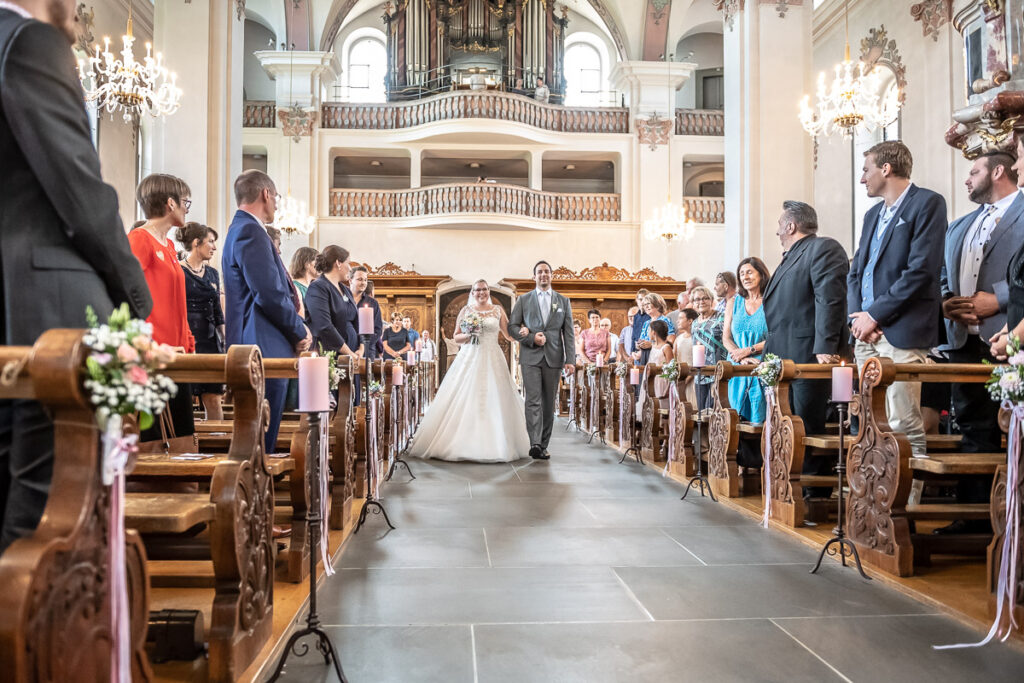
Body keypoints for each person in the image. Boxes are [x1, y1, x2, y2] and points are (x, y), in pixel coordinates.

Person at [0, 0, 151, 551]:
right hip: (48, 313)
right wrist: (136, 300)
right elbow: (84, 195)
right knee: (45, 518)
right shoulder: (30, 42)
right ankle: (28, 638)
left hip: (14, 304)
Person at [847, 141, 947, 457]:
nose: (863, 178)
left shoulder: (927, 203)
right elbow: (855, 271)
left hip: (902, 332)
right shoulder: (872, 214)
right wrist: (858, 316)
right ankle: (871, 492)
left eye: (866, 170)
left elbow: (920, 271)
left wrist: (874, 315)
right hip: (865, 333)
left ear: (886, 169)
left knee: (902, 421)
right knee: (866, 419)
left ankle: (907, 501)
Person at [222, 169, 311, 454]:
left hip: (258, 341)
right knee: (260, 438)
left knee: (259, 434)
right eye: (276, 198)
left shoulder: (240, 229)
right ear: (266, 194)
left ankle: (257, 494)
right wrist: (298, 331)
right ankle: (256, 496)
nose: (276, 205)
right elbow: (269, 294)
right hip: (263, 344)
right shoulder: (250, 230)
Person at [763, 200, 849, 492]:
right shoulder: (791, 256)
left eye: (779, 225)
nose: (777, 231)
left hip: (807, 356)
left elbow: (830, 298)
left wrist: (826, 345)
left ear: (791, 225)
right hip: (782, 356)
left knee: (806, 424)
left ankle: (814, 492)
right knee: (786, 424)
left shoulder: (822, 248)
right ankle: (786, 485)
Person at [410, 280, 530, 461]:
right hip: (469, 356)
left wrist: (523, 333)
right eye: (478, 290)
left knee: (495, 396)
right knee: (466, 394)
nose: (481, 292)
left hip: (492, 356)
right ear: (472, 293)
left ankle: (497, 443)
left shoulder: (497, 310)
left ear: (489, 291)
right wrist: (470, 334)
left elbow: (508, 335)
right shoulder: (466, 311)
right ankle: (460, 440)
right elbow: (456, 337)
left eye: (485, 289)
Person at [129, 174, 196, 444]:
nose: (186, 209)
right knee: (155, 437)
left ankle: (183, 486)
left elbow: (176, 300)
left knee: (182, 432)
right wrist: (148, 344)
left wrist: (188, 342)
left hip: (178, 353)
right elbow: (127, 296)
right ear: (170, 203)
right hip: (155, 354)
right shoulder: (139, 239)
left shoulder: (168, 245)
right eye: (185, 202)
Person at [510, 260, 576, 460]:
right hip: (530, 356)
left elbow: (569, 333)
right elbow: (512, 327)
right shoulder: (524, 300)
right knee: (533, 400)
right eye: (539, 272)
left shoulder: (563, 301)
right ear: (534, 277)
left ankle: (544, 443)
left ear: (551, 275)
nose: (543, 275)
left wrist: (570, 359)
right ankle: (535, 443)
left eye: (546, 271)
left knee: (548, 402)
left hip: (554, 356)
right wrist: (531, 338)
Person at [179, 221, 226, 421]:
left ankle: (218, 446)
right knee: (184, 399)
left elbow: (217, 310)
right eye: (211, 242)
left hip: (210, 342)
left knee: (213, 397)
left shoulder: (212, 273)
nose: (214, 247)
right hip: (187, 340)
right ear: (197, 243)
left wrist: (224, 339)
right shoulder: (178, 271)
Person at [724, 257, 771, 425]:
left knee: (760, 420)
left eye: (750, 272)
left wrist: (750, 350)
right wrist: (740, 356)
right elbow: (726, 338)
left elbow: (777, 335)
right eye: (742, 274)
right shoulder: (734, 302)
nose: (745, 277)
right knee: (735, 421)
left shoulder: (770, 301)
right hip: (737, 362)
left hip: (762, 361)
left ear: (761, 274)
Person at [305, 245, 362, 364]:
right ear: (338, 263)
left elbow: (356, 320)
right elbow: (324, 326)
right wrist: (348, 352)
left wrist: (361, 347)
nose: (350, 268)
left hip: (353, 353)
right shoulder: (318, 287)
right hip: (331, 352)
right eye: (348, 263)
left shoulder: (345, 289)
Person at [689, 286, 726, 411]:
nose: (701, 302)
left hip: (718, 369)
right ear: (693, 303)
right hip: (701, 371)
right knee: (701, 410)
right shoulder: (694, 323)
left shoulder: (721, 317)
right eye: (697, 299)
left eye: (705, 298)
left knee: (714, 409)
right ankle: (703, 431)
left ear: (711, 300)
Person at [633, 293, 675, 364]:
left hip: (658, 358)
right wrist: (639, 345)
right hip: (645, 357)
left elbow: (671, 340)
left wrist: (652, 345)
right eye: (644, 305)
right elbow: (642, 340)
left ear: (658, 305)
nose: (646, 306)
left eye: (648, 304)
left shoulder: (664, 320)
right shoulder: (646, 323)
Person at [349, 265, 383, 351]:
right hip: (346, 347)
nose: (363, 283)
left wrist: (363, 345)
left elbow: (377, 330)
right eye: (360, 279)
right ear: (350, 281)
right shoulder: (342, 299)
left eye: (365, 280)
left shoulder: (373, 303)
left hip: (367, 349)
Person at [629, 289, 651, 359]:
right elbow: (633, 336)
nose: (642, 302)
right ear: (636, 300)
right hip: (636, 352)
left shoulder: (651, 316)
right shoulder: (636, 316)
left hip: (648, 352)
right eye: (640, 299)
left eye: (645, 300)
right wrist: (632, 352)